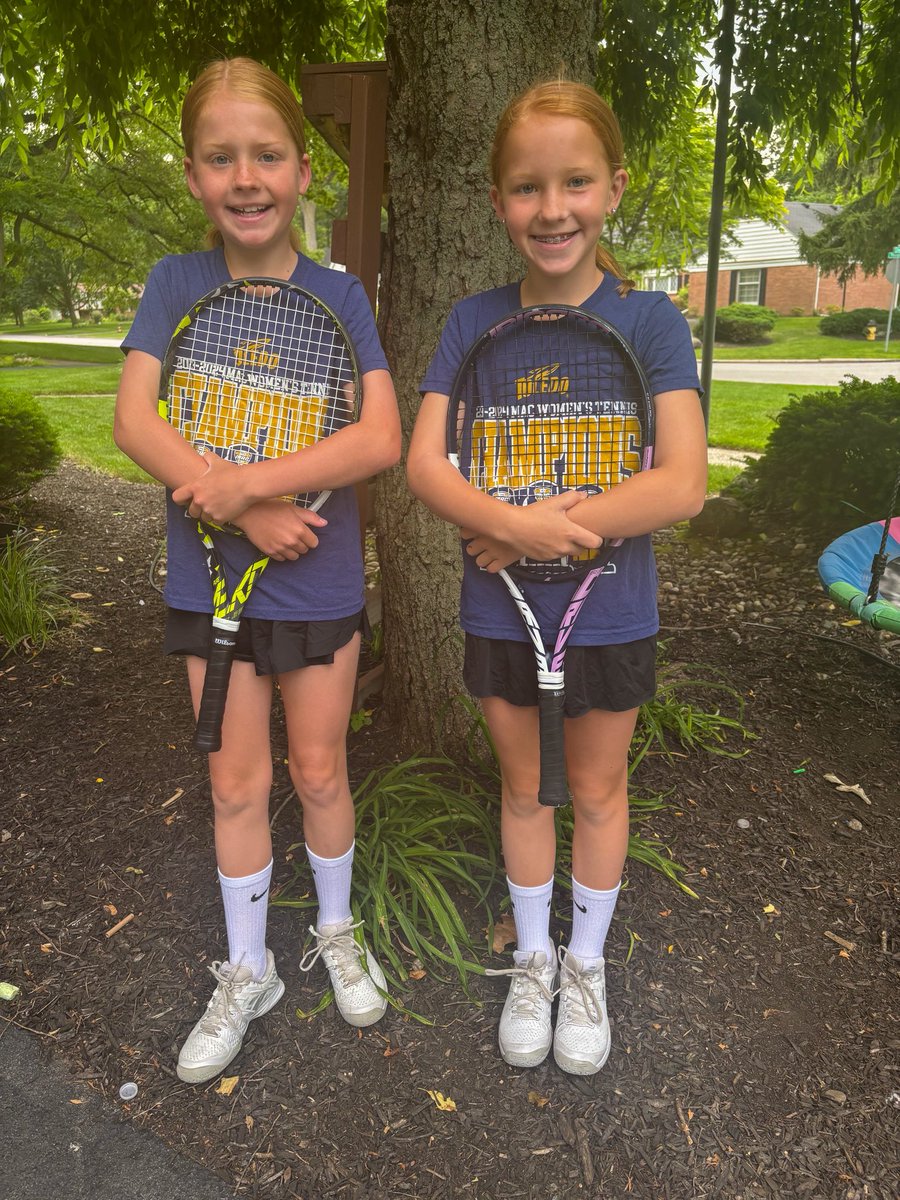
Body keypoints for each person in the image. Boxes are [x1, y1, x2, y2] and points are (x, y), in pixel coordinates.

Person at [406, 80, 707, 1076]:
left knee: (599, 787)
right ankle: (533, 958)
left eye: (576, 182)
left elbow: (682, 483)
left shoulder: (653, 321)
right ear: (498, 202)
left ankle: (586, 963)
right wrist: (500, 524)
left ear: (613, 188)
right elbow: (422, 464)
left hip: (608, 614)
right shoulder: (472, 322)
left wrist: (539, 532)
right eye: (529, 187)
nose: (553, 208)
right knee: (525, 789)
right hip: (499, 613)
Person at [113, 57, 400, 1085]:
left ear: (301, 172)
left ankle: (333, 932)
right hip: (208, 589)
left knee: (318, 771)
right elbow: (133, 420)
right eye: (221, 157)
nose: (247, 178)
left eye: (268, 155)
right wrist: (240, 500)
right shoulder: (174, 285)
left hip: (318, 586)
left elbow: (380, 436)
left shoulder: (337, 294)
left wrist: (254, 490)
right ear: (192, 174)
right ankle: (248, 968)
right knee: (234, 784)